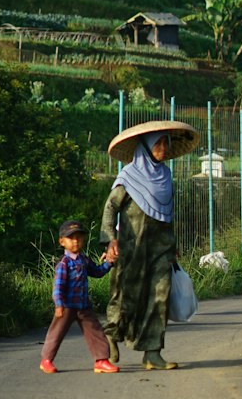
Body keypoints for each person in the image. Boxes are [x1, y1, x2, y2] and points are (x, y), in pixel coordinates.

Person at [100, 119, 199, 370]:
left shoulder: (165, 176)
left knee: (160, 297)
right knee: (125, 295)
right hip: (131, 248)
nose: (164, 148)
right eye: (159, 143)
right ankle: (111, 338)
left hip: (160, 249)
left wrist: (172, 245)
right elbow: (110, 208)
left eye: (166, 142)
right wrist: (110, 239)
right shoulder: (128, 177)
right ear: (145, 146)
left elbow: (167, 215)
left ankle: (152, 352)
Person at [40, 220, 117, 375]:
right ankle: (46, 360)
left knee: (95, 330)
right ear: (62, 241)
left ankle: (101, 360)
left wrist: (109, 263)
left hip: (83, 305)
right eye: (71, 238)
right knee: (57, 333)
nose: (76, 241)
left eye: (79, 238)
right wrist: (59, 304)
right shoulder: (64, 263)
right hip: (67, 306)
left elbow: (97, 271)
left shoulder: (84, 259)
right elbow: (58, 286)